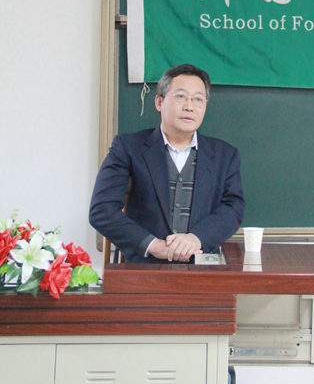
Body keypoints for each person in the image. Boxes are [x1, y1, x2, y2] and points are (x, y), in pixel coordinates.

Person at [89, 64, 245, 263]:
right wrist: (152, 245)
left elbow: (233, 208)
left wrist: (197, 238)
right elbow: (102, 210)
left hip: (202, 266)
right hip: (144, 268)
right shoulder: (128, 148)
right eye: (180, 96)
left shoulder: (225, 155)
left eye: (198, 99)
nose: (189, 106)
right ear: (159, 102)